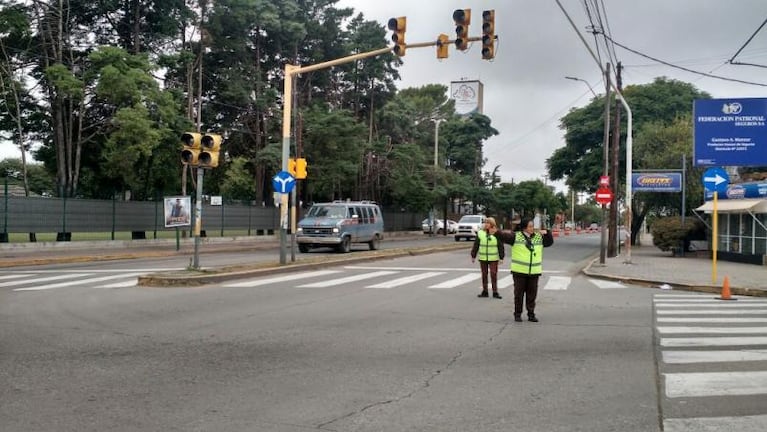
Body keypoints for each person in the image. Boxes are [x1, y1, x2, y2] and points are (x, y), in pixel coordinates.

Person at [497, 218, 554, 322]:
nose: (532, 228)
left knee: (532, 295)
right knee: (519, 295)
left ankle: (531, 314)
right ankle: (517, 314)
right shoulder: (516, 236)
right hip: (519, 271)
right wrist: (496, 231)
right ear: (524, 227)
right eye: (530, 226)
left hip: (534, 271)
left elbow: (549, 242)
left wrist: (547, 232)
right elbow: (504, 236)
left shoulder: (538, 237)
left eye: (533, 226)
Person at [470, 217, 505, 299]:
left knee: (493, 274)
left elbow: (500, 246)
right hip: (483, 258)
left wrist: (501, 257)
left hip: (493, 258)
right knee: (484, 275)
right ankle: (485, 291)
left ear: (492, 224)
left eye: (488, 223)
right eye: (485, 223)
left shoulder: (496, 233)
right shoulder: (480, 233)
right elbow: (476, 245)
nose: (486, 224)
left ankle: (495, 292)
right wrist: (473, 255)